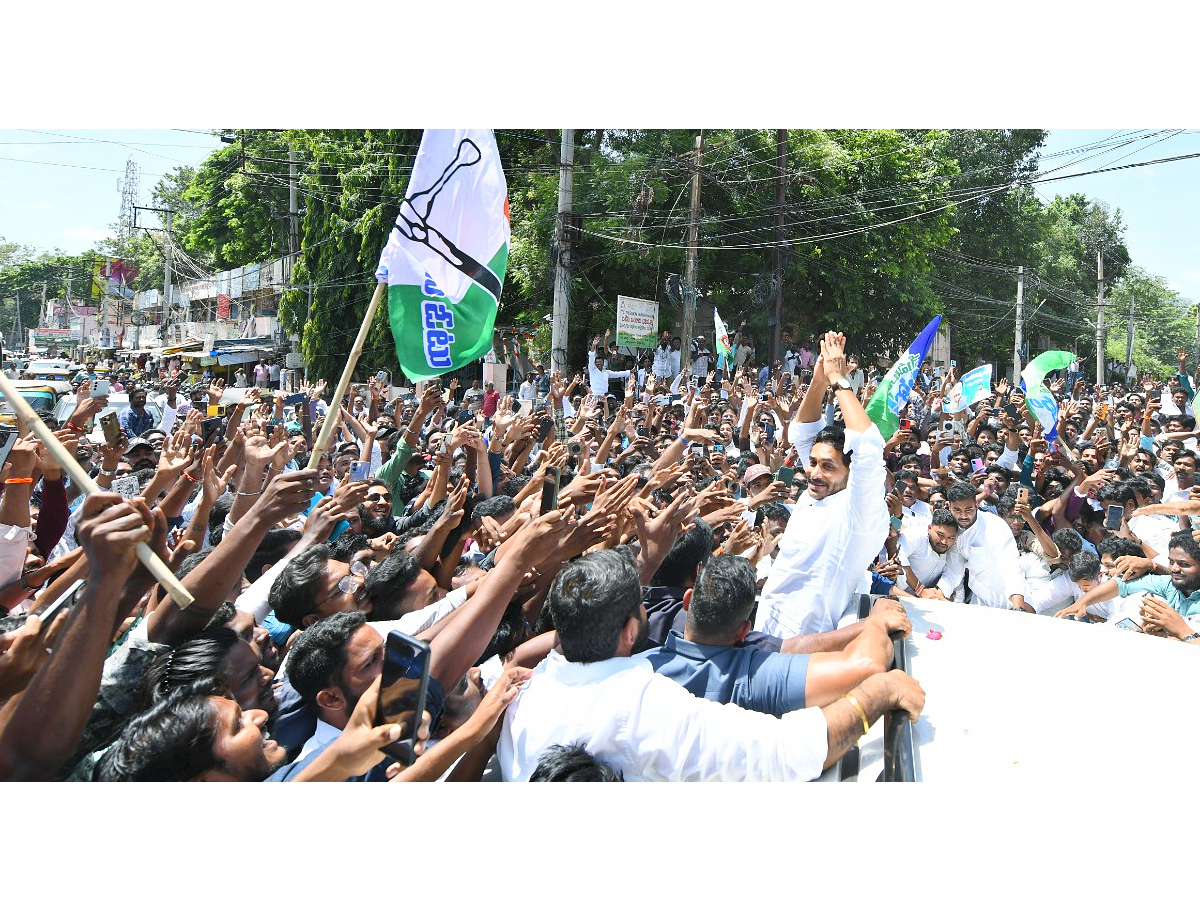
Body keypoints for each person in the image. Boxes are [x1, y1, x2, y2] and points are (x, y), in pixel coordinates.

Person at [498, 548, 924, 781]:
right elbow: (787, 753)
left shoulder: (513, 695)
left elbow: (792, 647)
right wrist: (877, 695)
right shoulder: (648, 707)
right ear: (630, 631)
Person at [641, 554, 908, 715]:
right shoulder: (755, 678)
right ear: (744, 631)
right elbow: (865, 666)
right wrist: (875, 623)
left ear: (687, 601)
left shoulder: (637, 667)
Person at [756, 331, 889, 636]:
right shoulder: (815, 494)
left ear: (851, 471)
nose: (814, 472)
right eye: (814, 462)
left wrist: (838, 380)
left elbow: (868, 447)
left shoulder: (860, 512)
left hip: (804, 646)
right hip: (764, 631)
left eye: (828, 466)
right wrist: (818, 380)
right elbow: (801, 433)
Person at [925, 480, 1029, 610]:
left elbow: (1011, 567)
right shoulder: (953, 532)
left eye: (968, 509)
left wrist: (1018, 608)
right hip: (979, 601)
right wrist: (939, 594)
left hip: (1009, 603)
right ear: (949, 506)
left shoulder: (995, 526)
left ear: (976, 504)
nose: (963, 516)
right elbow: (954, 570)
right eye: (957, 510)